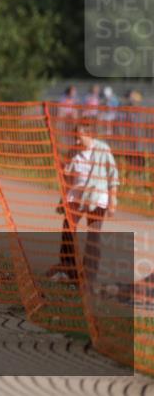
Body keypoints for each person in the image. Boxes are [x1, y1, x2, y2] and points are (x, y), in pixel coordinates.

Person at [47, 123, 119, 289]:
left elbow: (113, 176)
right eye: (76, 136)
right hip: (76, 196)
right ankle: (67, 268)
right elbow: (68, 177)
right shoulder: (74, 151)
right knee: (68, 228)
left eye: (79, 136)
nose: (77, 139)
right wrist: (63, 198)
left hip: (97, 197)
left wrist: (113, 201)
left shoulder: (103, 150)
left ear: (89, 134)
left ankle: (88, 277)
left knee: (93, 235)